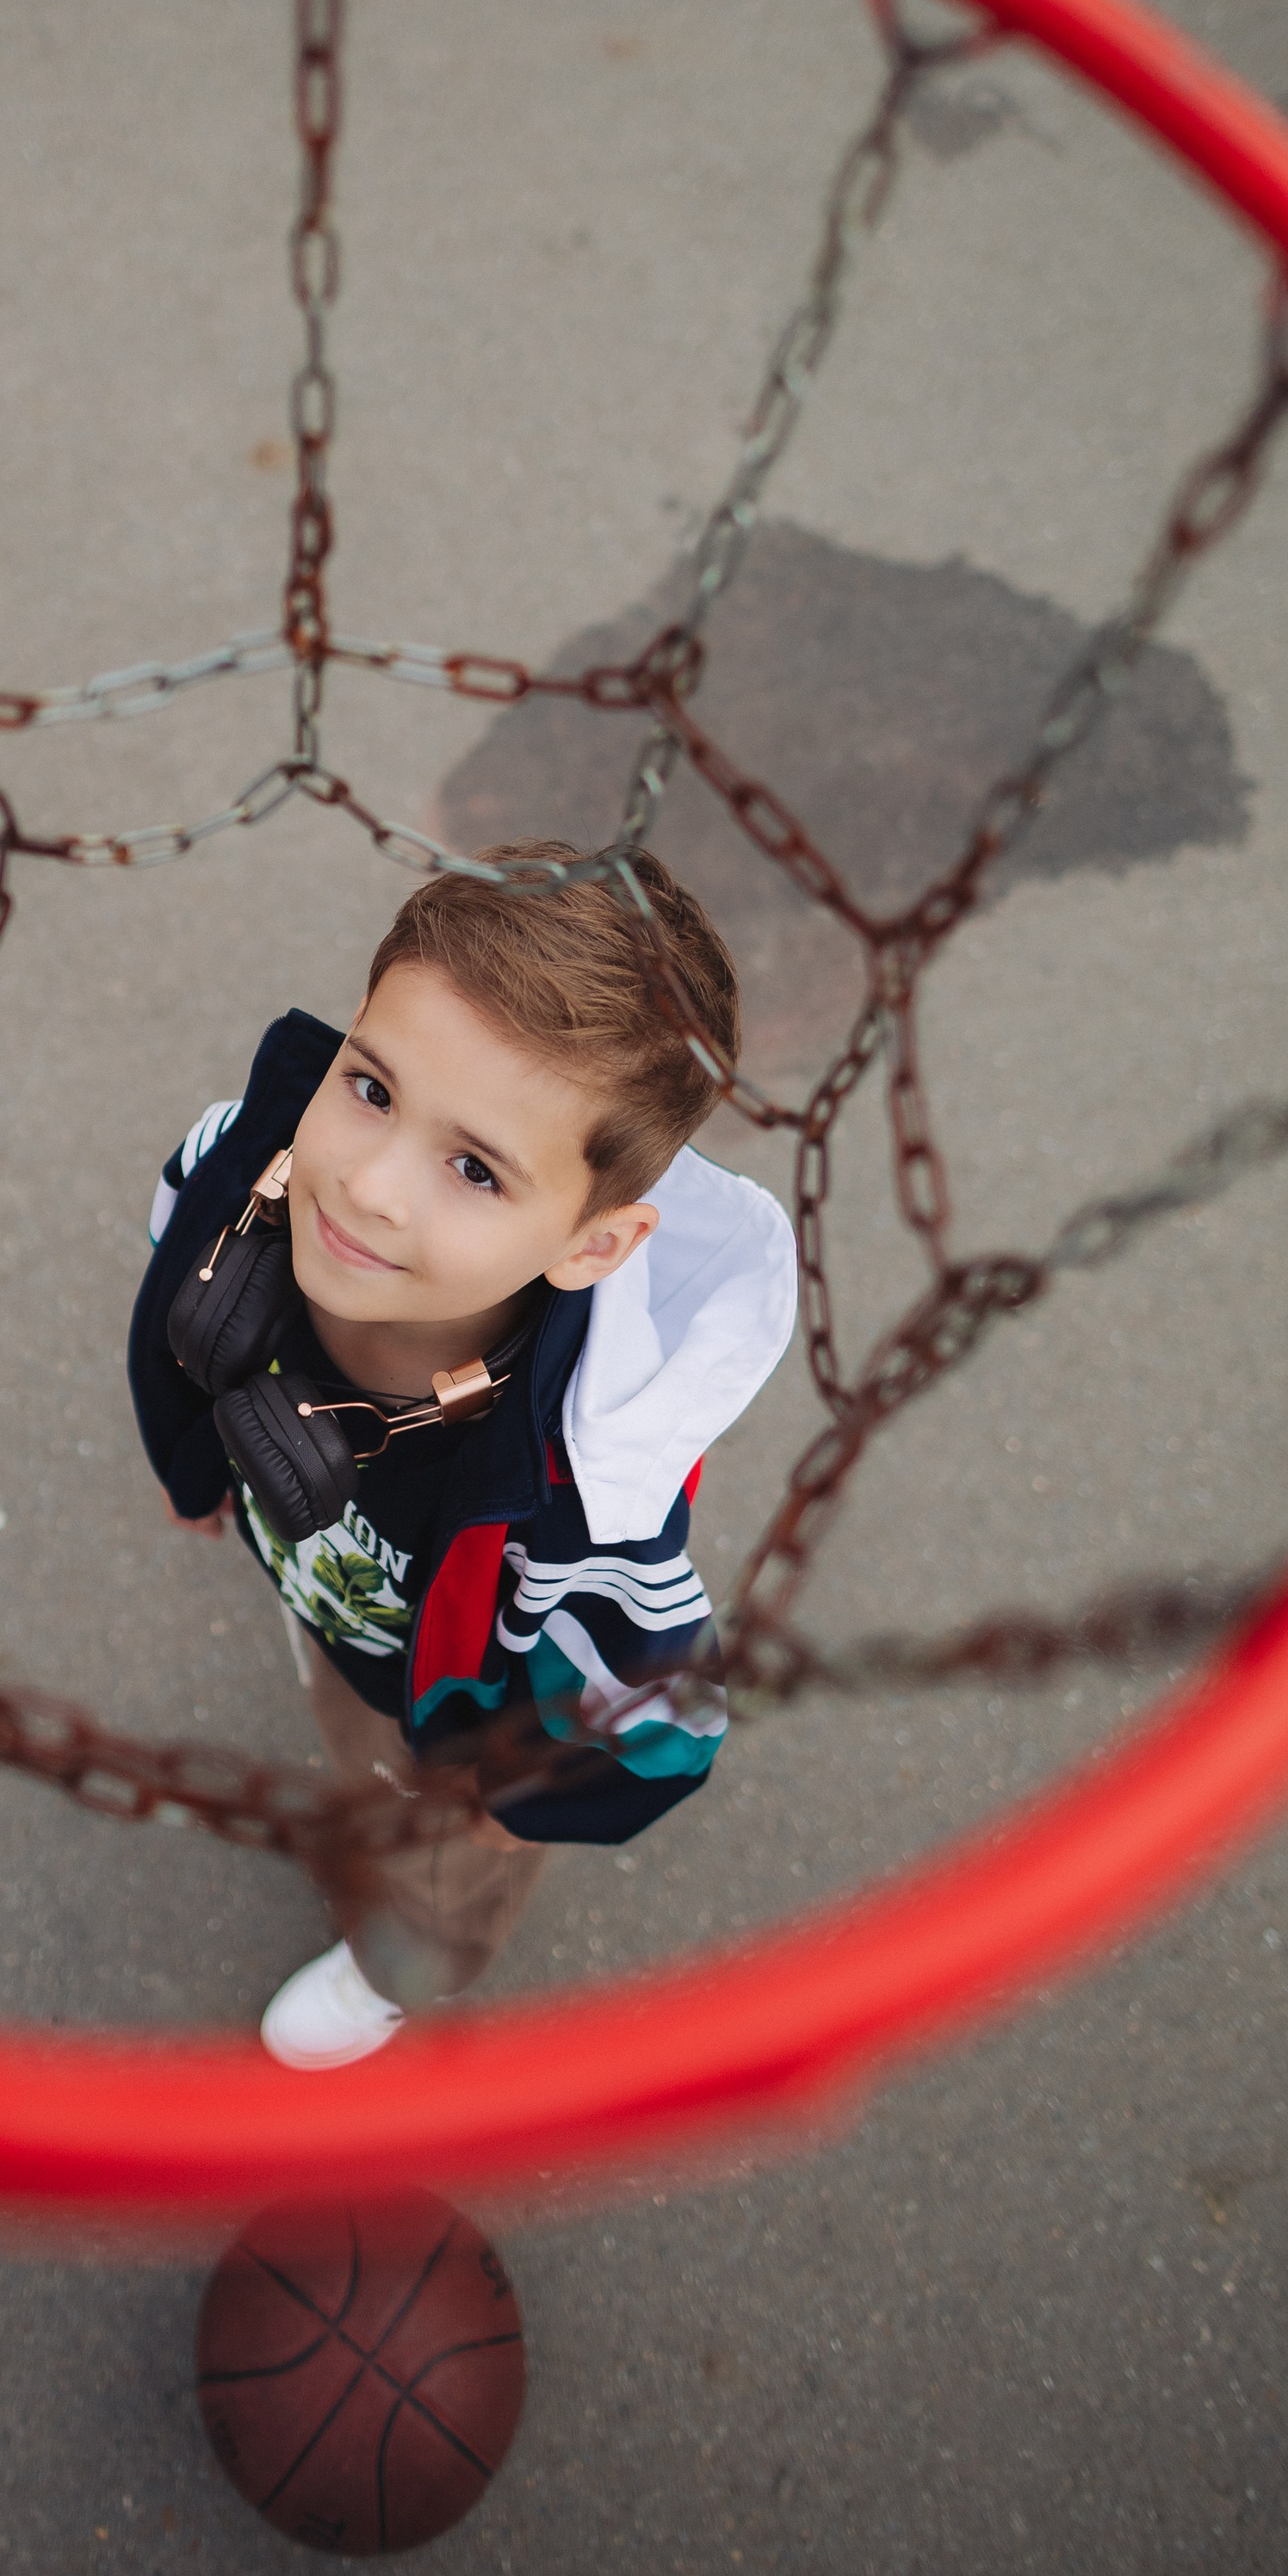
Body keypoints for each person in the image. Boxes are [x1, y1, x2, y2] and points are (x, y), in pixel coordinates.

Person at [126, 840, 796, 2070]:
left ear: (594, 1245)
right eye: (371, 1089)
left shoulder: (586, 1514)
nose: (369, 1185)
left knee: (433, 1853)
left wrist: (508, 1805)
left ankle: (403, 1966)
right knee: (350, 1725)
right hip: (342, 1597)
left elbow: (660, 1722)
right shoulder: (243, 1162)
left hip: (469, 1734)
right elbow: (173, 1293)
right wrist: (192, 1469)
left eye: (475, 1168)